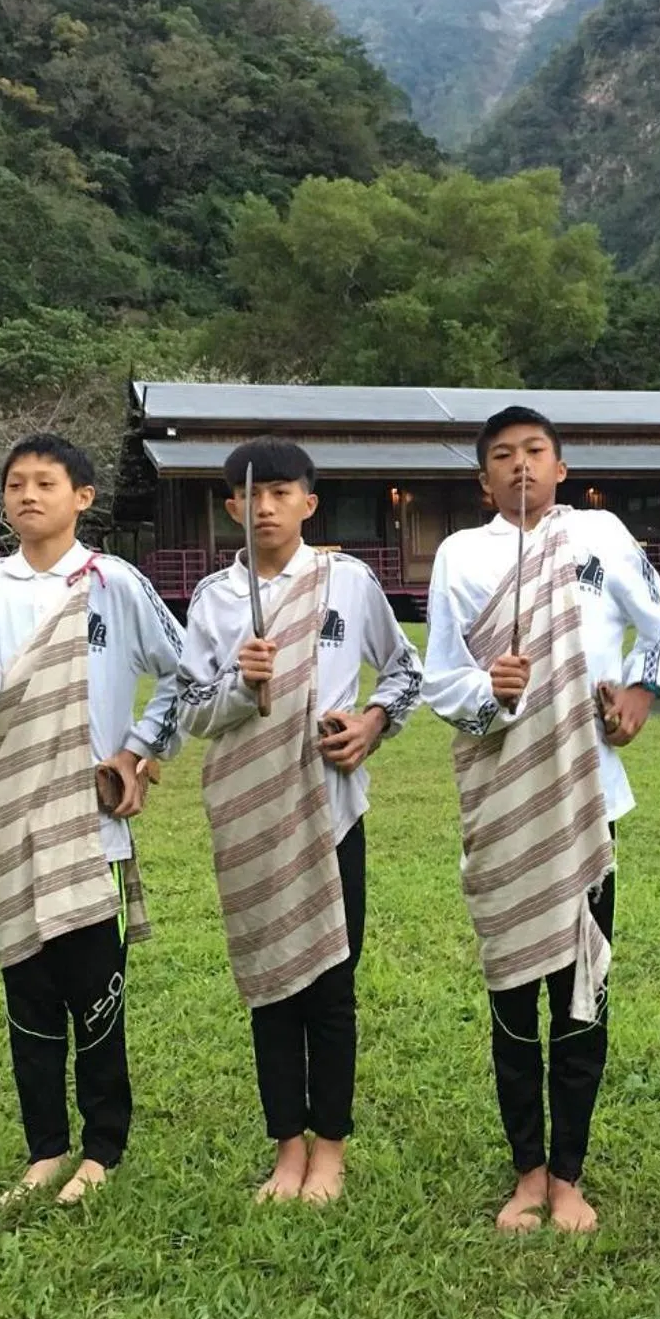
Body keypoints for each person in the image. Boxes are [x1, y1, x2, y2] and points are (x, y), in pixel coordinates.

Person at [423, 404, 660, 1233]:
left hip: (588, 798)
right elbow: (440, 678)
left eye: (536, 450)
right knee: (511, 994)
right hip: (502, 800)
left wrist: (640, 691)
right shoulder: (461, 555)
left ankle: (569, 1173)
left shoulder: (599, 537)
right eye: (504, 455)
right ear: (484, 480)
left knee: (581, 994)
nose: (522, 465)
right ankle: (526, 1172)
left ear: (561, 467)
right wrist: (487, 692)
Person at [0, 432, 186, 1206]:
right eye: (15, 483)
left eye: (45, 482)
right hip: (11, 813)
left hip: (90, 821)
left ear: (82, 497)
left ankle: (102, 1147)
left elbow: (185, 671)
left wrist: (140, 751)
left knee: (96, 991)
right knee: (29, 993)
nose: (27, 494)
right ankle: (44, 1148)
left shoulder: (112, 581)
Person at [172, 437, 423, 1204]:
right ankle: (288, 1150)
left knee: (332, 986)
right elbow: (189, 711)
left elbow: (405, 670)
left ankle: (331, 1150)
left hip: (331, 810)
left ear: (309, 503)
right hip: (249, 813)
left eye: (282, 493)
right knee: (271, 987)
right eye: (251, 495)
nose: (266, 507)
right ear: (231, 508)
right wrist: (239, 685)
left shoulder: (347, 582)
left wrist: (373, 723)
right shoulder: (214, 599)